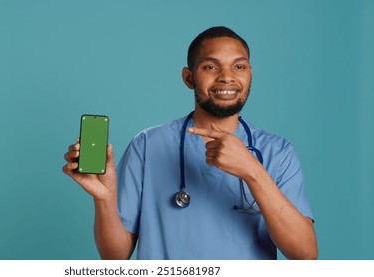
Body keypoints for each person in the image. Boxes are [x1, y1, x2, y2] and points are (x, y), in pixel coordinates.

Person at [63, 26, 318, 260]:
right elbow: (115, 257)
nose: (227, 78)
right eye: (211, 67)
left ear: (250, 74)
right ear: (188, 78)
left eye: (239, 67)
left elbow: (305, 254)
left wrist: (252, 171)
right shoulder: (148, 145)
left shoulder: (278, 152)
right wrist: (105, 199)